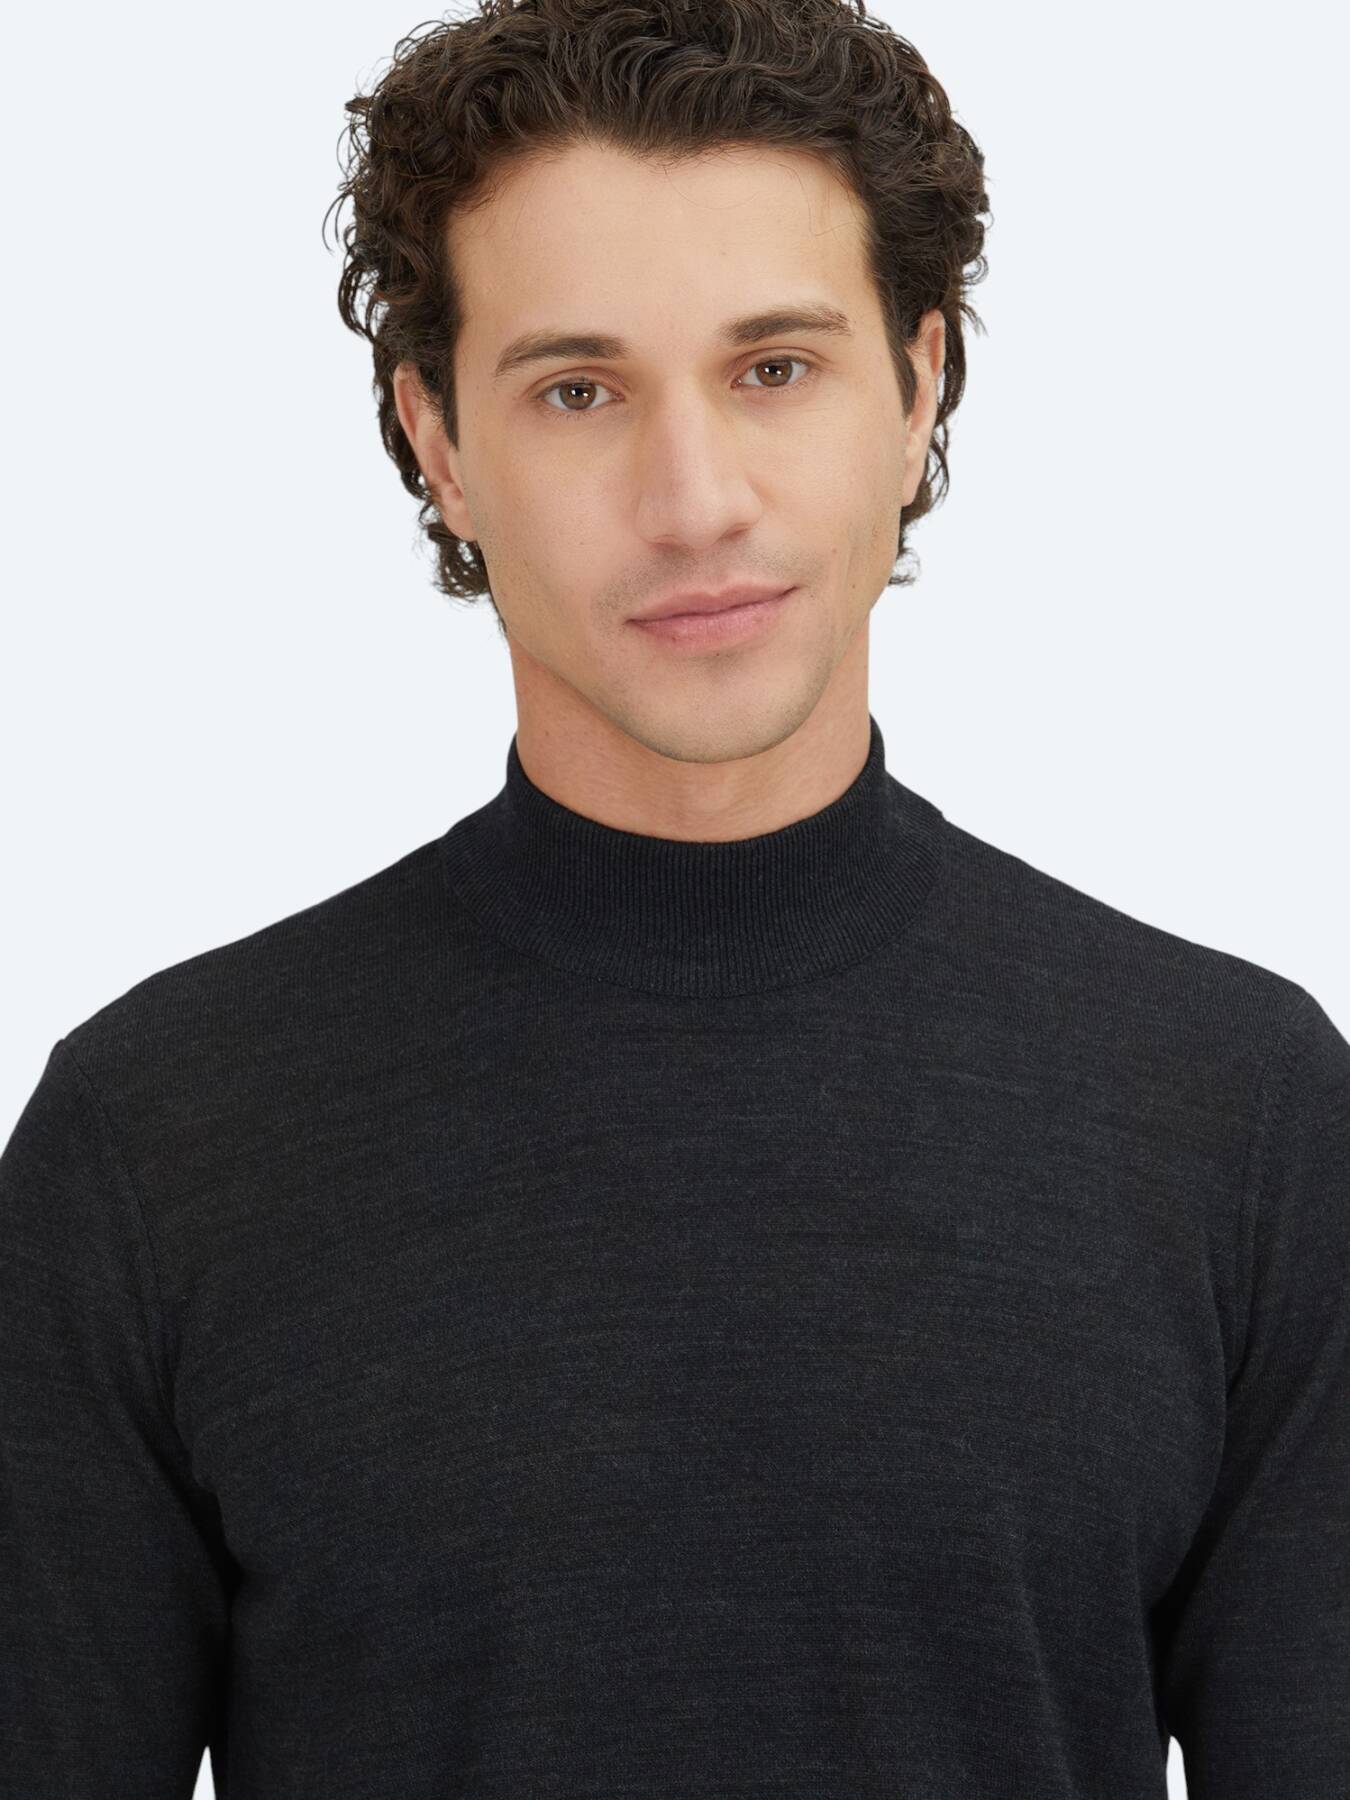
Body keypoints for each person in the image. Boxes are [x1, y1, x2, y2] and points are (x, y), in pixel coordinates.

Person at [2, 2, 1345, 1795]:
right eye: (578, 390)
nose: (693, 500)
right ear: (437, 441)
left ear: (919, 387)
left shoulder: (1235, 1113)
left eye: (773, 367)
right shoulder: (156, 1139)